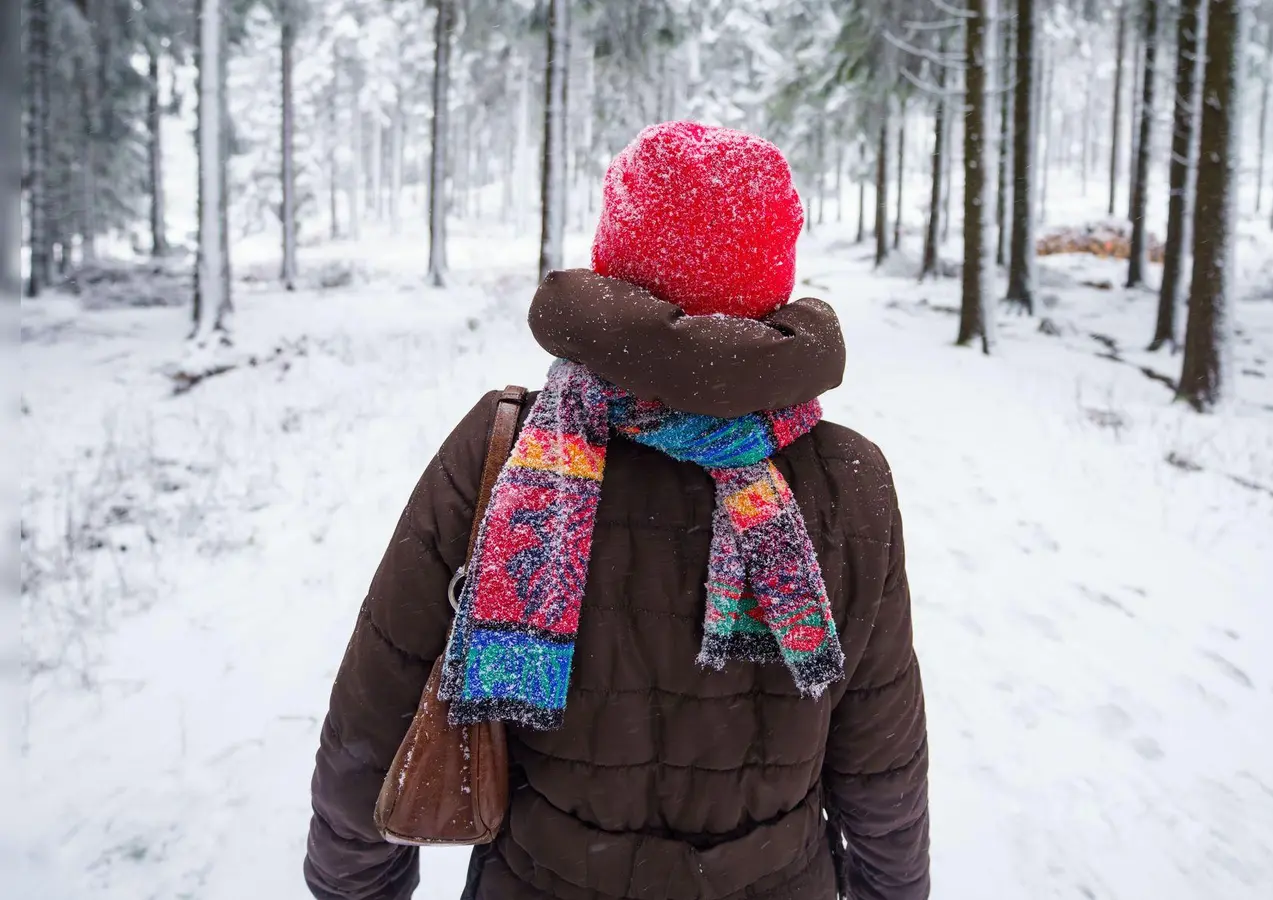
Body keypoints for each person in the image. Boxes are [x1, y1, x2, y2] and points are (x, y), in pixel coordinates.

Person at [304, 121, 930, 900]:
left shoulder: (509, 447)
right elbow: (880, 754)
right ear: (770, 280)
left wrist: (352, 888)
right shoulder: (848, 479)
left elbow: (376, 710)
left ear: (617, 266)